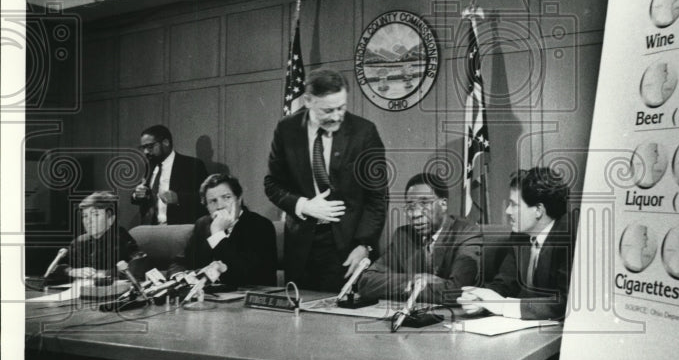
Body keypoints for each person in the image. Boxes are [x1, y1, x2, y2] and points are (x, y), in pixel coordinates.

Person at [264, 68, 387, 292]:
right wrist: (303, 205)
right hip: (302, 247)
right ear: (309, 100)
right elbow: (272, 185)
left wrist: (365, 245)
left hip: (348, 248)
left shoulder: (364, 132)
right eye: (329, 110)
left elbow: (377, 197)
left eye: (342, 107)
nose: (337, 116)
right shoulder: (286, 129)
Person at [458, 166, 574, 320]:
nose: (507, 211)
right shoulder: (519, 236)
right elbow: (505, 283)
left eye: (514, 205)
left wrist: (502, 305)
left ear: (539, 210)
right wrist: (481, 300)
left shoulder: (572, 237)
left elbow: (566, 304)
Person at [358, 172, 482, 304]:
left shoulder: (467, 233)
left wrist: (399, 286)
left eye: (424, 203)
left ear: (443, 204)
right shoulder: (404, 235)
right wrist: (415, 279)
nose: (416, 214)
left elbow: (456, 292)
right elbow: (366, 282)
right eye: (411, 207)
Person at [179, 173, 277, 287]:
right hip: (207, 299)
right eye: (213, 201)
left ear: (239, 199)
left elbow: (247, 275)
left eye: (226, 197)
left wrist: (217, 234)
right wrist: (180, 277)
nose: (220, 206)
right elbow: (180, 262)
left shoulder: (261, 226)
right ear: (207, 207)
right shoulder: (202, 224)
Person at [44, 191, 145, 285]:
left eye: (95, 215)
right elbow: (53, 272)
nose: (89, 221)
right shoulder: (79, 242)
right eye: (85, 216)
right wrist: (72, 271)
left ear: (111, 219)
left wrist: (103, 274)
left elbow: (137, 268)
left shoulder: (122, 238)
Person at [131, 125, 208, 225]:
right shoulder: (149, 166)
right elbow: (137, 195)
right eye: (143, 148)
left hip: (179, 230)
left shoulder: (192, 165)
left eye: (150, 146)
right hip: (150, 230)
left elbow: (205, 198)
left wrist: (178, 198)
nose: (145, 152)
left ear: (166, 142)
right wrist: (136, 195)